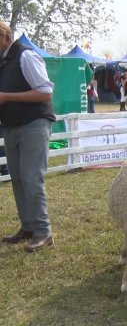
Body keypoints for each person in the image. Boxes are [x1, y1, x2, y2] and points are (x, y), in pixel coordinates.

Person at [0, 21, 55, 251]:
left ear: (4, 36)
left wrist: (7, 97)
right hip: (11, 125)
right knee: (19, 180)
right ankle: (28, 226)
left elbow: (45, 92)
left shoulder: (26, 56)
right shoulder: (3, 62)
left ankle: (44, 231)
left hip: (34, 124)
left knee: (32, 179)